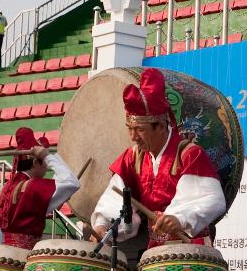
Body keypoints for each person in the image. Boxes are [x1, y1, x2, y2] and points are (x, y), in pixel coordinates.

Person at [91, 67, 226, 248]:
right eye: (129, 129)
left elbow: (213, 198)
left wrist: (180, 217)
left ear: (161, 126)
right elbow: (115, 197)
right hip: (156, 253)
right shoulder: (133, 158)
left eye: (139, 129)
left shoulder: (189, 155)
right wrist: (103, 226)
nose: (133, 136)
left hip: (192, 250)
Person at [0, 127, 81, 249]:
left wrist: (59, 198)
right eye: (45, 163)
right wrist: (47, 156)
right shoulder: (33, 186)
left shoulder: (7, 187)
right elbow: (72, 182)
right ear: (35, 162)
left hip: (5, 252)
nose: (46, 168)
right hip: (25, 255)